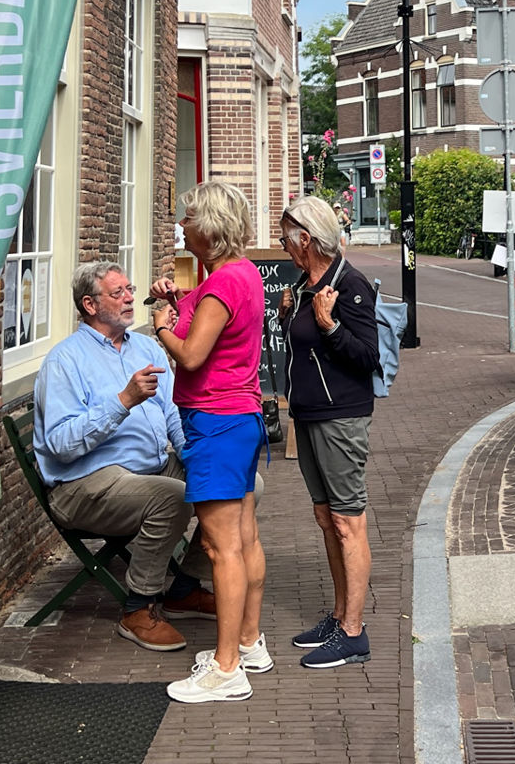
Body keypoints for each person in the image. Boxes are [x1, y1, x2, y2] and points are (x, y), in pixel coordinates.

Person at [32, 261, 215, 652]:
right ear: (90, 305)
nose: (131, 298)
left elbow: (171, 414)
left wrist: (196, 458)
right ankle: (138, 607)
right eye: (118, 293)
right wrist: (123, 401)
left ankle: (183, 588)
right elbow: (61, 444)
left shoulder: (146, 347)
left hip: (151, 469)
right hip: (85, 483)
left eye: (130, 289)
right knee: (169, 497)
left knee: (238, 483)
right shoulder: (65, 361)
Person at [151, 180, 270, 703]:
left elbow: (193, 355)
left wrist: (161, 327)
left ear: (210, 227)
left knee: (221, 548)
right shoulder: (240, 275)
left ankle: (226, 670)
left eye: (189, 216)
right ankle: (248, 643)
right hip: (239, 417)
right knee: (243, 539)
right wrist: (179, 302)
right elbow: (213, 327)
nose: (182, 223)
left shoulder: (222, 285)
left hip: (215, 420)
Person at [276, 197, 381, 668]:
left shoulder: (349, 285)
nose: (282, 246)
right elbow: (303, 351)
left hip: (341, 416)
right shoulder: (303, 284)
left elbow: (366, 358)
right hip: (309, 413)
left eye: (285, 237)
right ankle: (338, 616)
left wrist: (329, 324)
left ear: (306, 238)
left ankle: (354, 633)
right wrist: (288, 317)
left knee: (347, 520)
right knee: (325, 518)